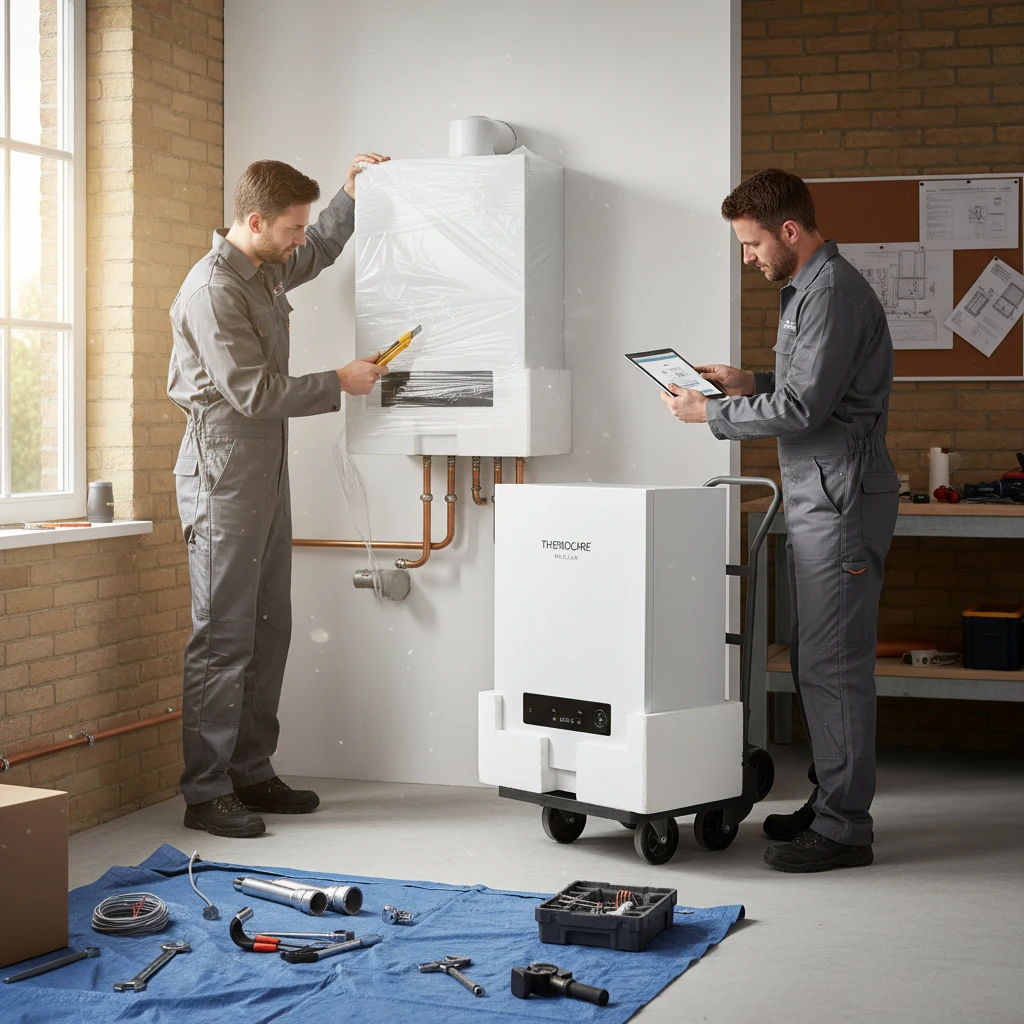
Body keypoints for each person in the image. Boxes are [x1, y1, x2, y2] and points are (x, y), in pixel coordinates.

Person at [661, 168, 899, 872]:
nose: (749, 257)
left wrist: (710, 412)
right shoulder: (811, 289)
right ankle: (830, 802)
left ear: (789, 231)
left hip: (842, 498)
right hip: (822, 494)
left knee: (836, 662)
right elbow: (805, 389)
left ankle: (845, 827)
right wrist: (746, 382)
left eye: (752, 243)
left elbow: (805, 412)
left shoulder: (830, 293)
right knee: (815, 652)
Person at [168, 155, 390, 838]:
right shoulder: (212, 291)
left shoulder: (263, 266)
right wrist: (339, 381)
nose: (300, 239)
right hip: (223, 473)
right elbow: (253, 393)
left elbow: (319, 249)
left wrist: (348, 196)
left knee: (269, 626)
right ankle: (206, 791)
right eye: (290, 228)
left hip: (263, 465)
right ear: (255, 221)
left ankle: (251, 771)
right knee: (223, 638)